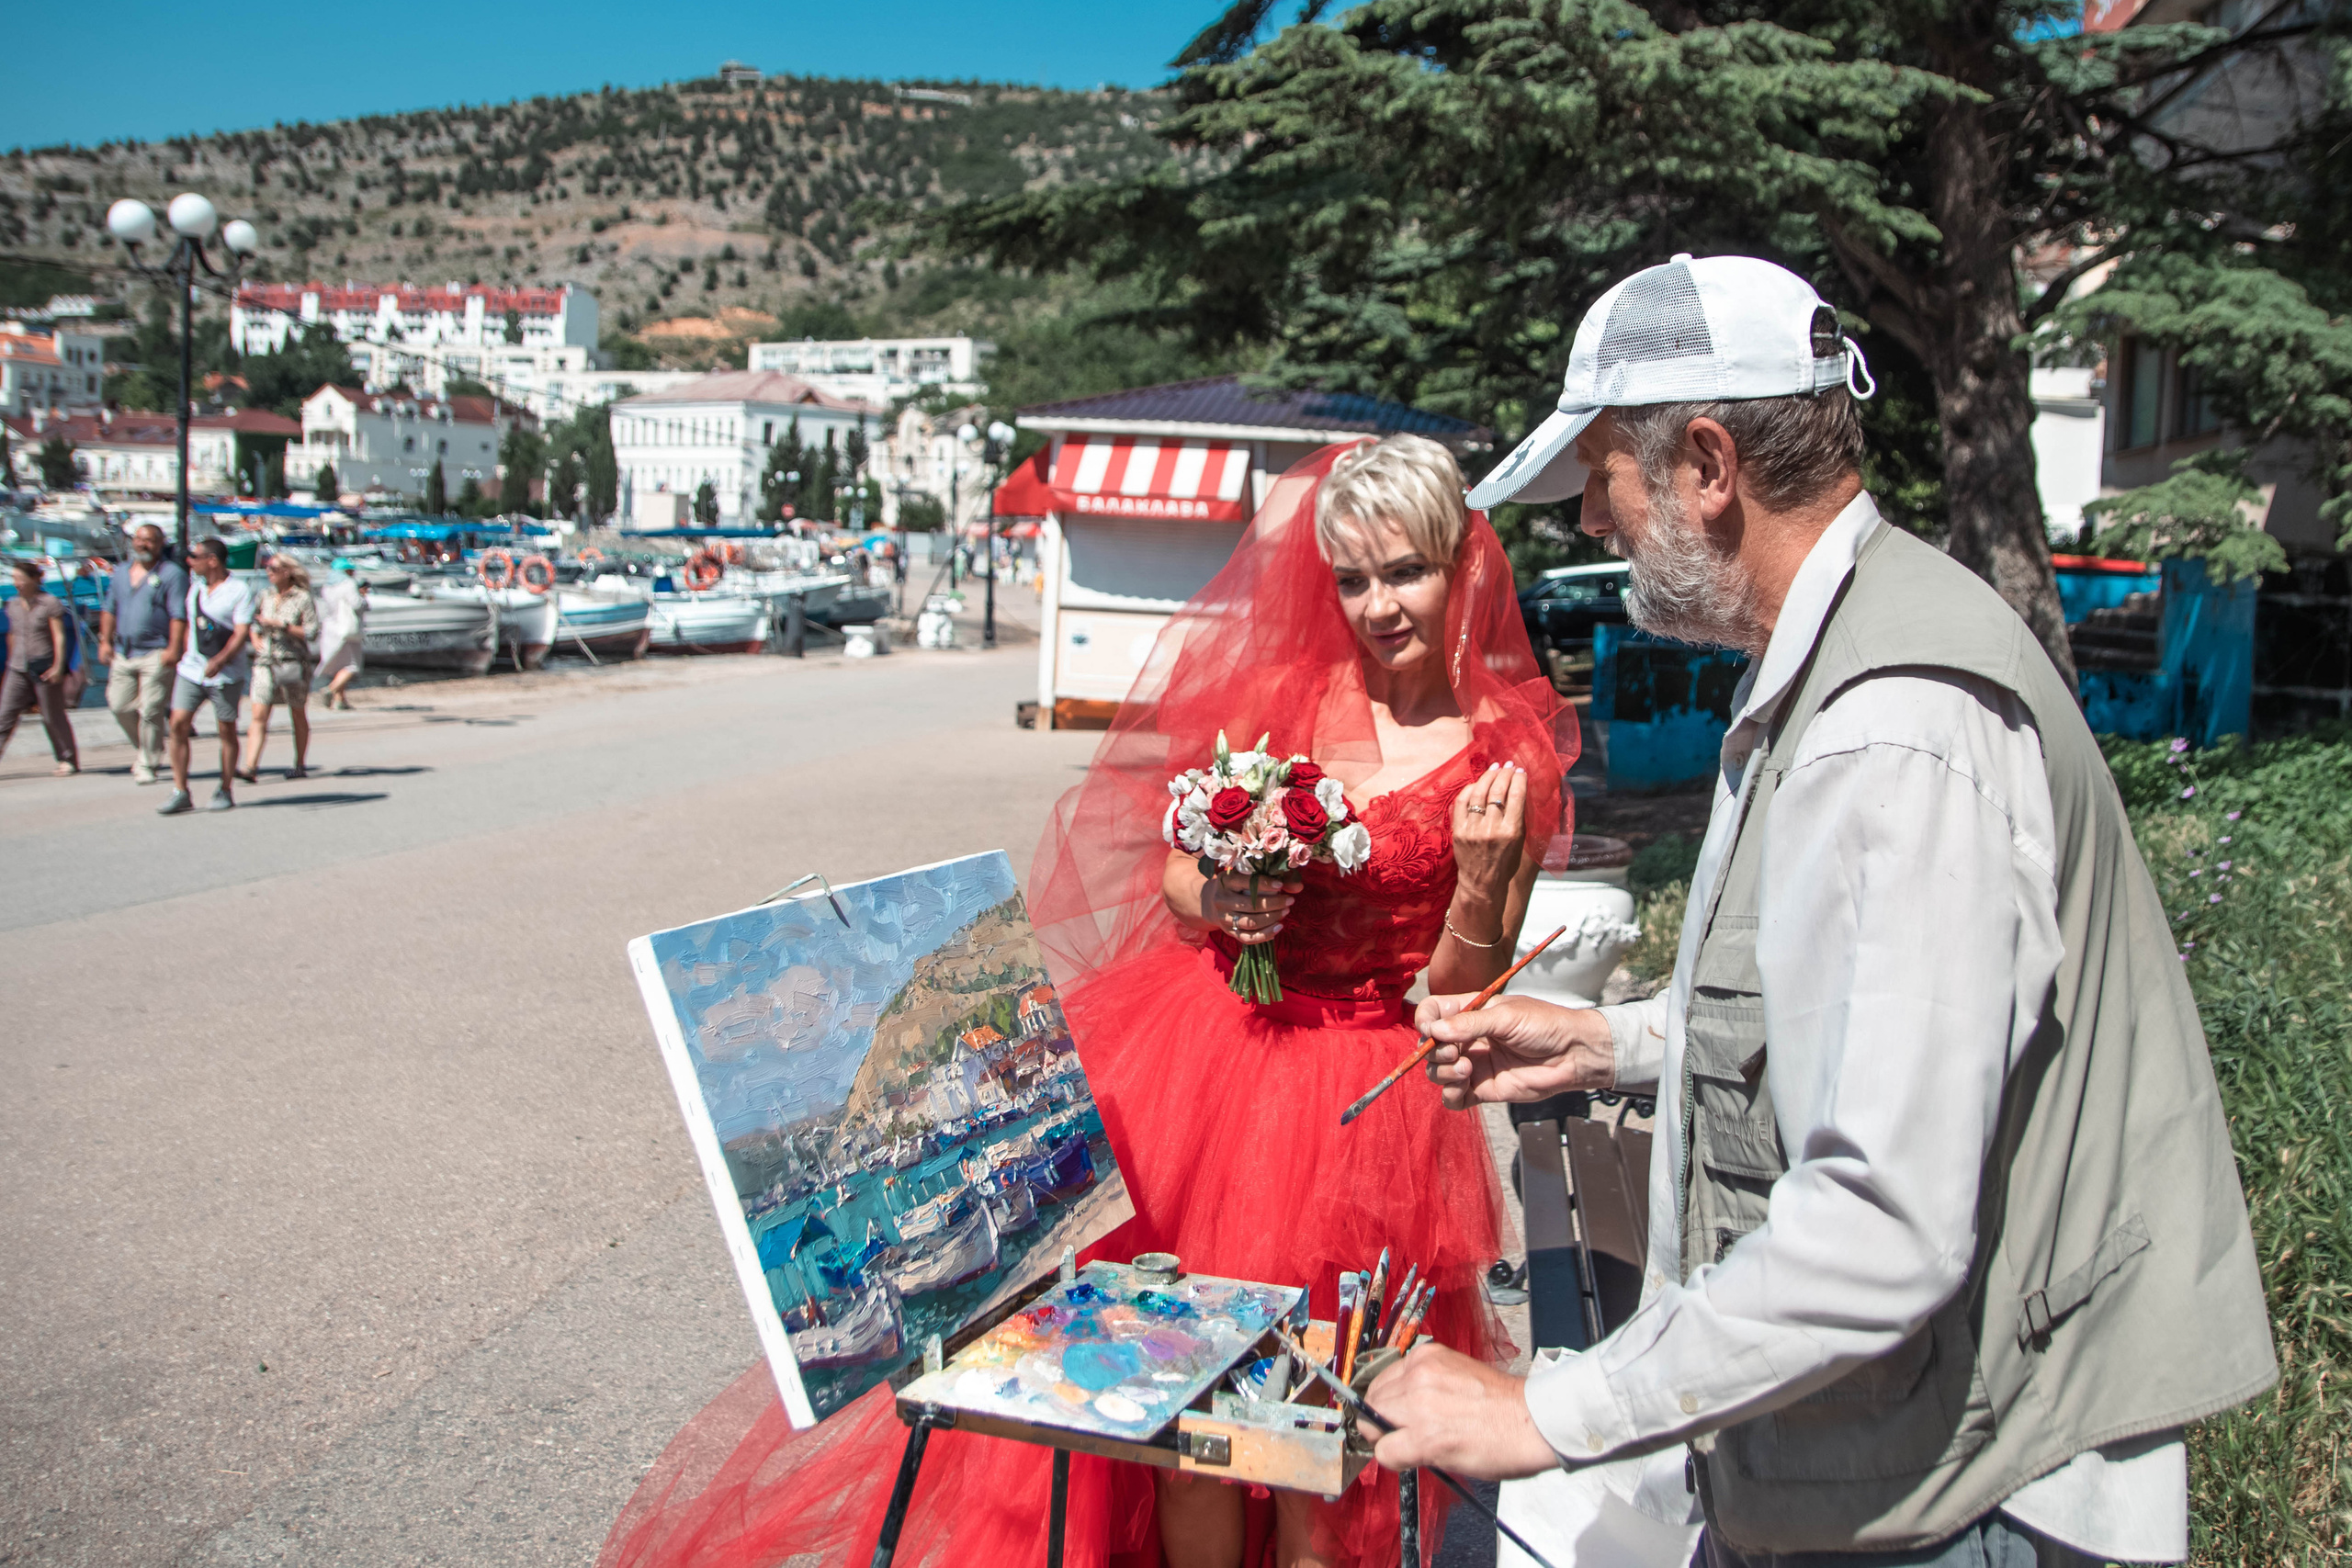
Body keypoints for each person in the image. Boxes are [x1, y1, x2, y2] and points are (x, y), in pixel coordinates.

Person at [1362, 254, 2277, 1567]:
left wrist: (1545, 1411)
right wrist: (1607, 1042)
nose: (1592, 527)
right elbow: (1884, 1023)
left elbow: (1881, 1224)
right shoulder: (1845, 654)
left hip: (1970, 1493)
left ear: (1708, 466)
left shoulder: (1889, 723)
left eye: (1603, 482)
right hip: (1922, 1457)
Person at [599, 435, 1580, 1568]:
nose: (1376, 605)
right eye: (1351, 579)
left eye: (1402, 572)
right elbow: (1174, 881)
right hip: (1210, 1066)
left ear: (1459, 565)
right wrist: (1226, 899)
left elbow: (1468, 987)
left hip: (1359, 1097)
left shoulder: (1503, 754)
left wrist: (1478, 867)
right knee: (1186, 1406)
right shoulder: (1278, 699)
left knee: (1320, 1422)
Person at [160, 536, 254, 815]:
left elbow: (241, 632)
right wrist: (182, 653)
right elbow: (190, 625)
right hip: (191, 670)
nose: (190, 562)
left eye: (196, 557)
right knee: (178, 724)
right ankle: (180, 789)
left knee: (225, 729)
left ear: (212, 560)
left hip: (225, 673)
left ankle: (225, 787)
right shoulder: (196, 590)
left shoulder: (239, 590)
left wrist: (220, 660)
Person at [99, 524, 189, 784]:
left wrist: (174, 648)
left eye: (149, 541)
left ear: (160, 544)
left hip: (156, 651)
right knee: (119, 704)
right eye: (139, 540)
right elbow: (108, 608)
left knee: (151, 708)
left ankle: (148, 763)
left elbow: (178, 615)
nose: (143, 545)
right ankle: (148, 747)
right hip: (124, 651)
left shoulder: (172, 574)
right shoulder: (120, 572)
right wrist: (105, 641)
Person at [240, 552, 320, 780]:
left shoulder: (302, 598)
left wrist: (281, 625)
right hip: (265, 662)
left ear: (287, 572)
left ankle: (300, 763)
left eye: (274, 569)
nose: (269, 573)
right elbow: (253, 624)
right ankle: (250, 766)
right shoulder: (265, 595)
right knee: (259, 714)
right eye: (268, 568)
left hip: (292, 662)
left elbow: (312, 632)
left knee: (297, 713)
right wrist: (257, 642)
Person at [1, 558, 80, 775]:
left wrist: (58, 666)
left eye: (21, 579)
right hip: (17, 666)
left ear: (35, 579)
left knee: (51, 715)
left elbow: (59, 636)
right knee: (4, 714)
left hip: (44, 664)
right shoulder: (13, 604)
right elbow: (12, 635)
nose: (17, 583)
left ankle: (68, 759)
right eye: (14, 579)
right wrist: (9, 664)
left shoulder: (49, 603)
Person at [313, 568, 367, 711]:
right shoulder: (348, 583)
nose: (353, 573)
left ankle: (339, 700)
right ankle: (330, 690)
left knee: (339, 665)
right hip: (348, 628)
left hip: (331, 629)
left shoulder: (327, 586)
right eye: (351, 570)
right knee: (352, 665)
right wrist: (363, 598)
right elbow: (356, 604)